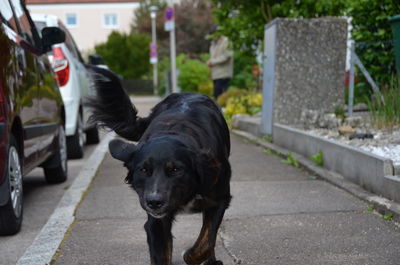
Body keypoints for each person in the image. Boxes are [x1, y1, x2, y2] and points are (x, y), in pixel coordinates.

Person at [207, 25, 233, 100]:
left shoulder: (227, 41)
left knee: (221, 96)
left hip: (224, 74)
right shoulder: (213, 44)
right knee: (216, 96)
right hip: (215, 75)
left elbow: (227, 56)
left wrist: (212, 62)